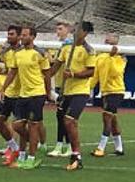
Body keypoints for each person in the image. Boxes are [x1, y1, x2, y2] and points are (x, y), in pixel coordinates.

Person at [0, 26, 52, 170]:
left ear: (33, 37)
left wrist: (48, 92)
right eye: (21, 35)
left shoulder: (40, 53)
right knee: (18, 125)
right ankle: (31, 145)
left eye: (25, 35)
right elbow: (12, 72)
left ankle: (30, 158)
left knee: (33, 125)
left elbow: (47, 74)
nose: (22, 37)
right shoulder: (18, 53)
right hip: (23, 94)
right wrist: (3, 88)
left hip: (37, 93)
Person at [50, 23, 96, 171]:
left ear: (85, 32)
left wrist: (73, 74)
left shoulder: (88, 50)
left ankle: (76, 155)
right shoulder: (66, 48)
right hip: (66, 91)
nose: (75, 32)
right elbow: (54, 68)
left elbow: (91, 72)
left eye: (78, 30)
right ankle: (73, 153)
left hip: (80, 91)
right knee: (65, 121)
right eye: (74, 29)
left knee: (69, 120)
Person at [89, 34, 128, 157]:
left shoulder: (120, 58)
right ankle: (119, 148)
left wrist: (111, 57)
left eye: (111, 37)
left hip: (116, 91)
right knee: (113, 120)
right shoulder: (99, 56)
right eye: (106, 37)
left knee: (107, 118)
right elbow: (95, 76)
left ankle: (101, 148)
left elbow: (116, 72)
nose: (107, 39)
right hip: (106, 91)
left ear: (116, 41)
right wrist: (86, 88)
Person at [0, 25, 23, 166]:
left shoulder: (24, 52)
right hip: (9, 91)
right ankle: (13, 147)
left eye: (11, 34)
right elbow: (8, 70)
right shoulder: (7, 52)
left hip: (22, 93)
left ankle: (21, 152)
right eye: (8, 34)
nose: (8, 36)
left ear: (19, 36)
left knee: (18, 125)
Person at [47, 22, 73, 158]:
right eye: (56, 28)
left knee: (64, 117)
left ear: (68, 30)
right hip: (59, 85)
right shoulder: (61, 47)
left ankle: (65, 146)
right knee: (60, 116)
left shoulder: (69, 46)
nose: (58, 31)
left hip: (67, 86)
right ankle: (62, 145)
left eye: (61, 29)